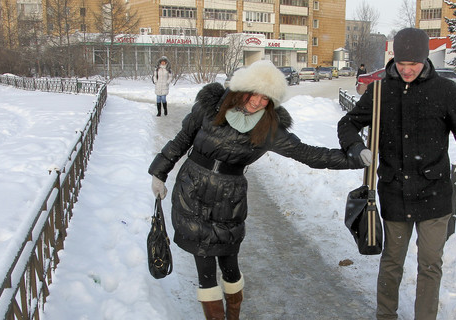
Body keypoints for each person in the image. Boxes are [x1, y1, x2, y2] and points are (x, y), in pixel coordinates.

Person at [148, 60, 365, 320]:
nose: (259, 101)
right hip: (192, 191)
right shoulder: (210, 107)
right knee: (205, 267)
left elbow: (308, 154)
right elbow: (182, 139)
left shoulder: (268, 128)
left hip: (229, 200)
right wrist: (159, 172)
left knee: (230, 265)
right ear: (243, 88)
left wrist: (355, 158)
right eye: (256, 93)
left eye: (267, 98)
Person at [337, 28, 456, 320]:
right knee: (391, 262)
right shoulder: (380, 91)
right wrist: (355, 147)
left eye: (413, 64)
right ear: (394, 59)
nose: (407, 69)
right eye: (401, 64)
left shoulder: (445, 92)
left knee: (430, 265)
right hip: (394, 192)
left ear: (425, 60)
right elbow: (347, 123)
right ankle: (385, 316)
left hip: (434, 194)